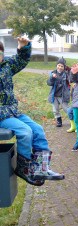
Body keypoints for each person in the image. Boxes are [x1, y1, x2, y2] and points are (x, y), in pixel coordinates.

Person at [0, 37, 64, 186]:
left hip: (12, 111)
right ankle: (24, 168)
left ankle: (42, 168)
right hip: (1, 114)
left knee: (37, 130)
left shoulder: (7, 65)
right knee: (25, 132)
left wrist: (23, 46)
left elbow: (21, 59)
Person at [47, 57, 70, 127]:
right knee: (55, 109)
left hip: (62, 95)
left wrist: (69, 71)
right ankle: (59, 121)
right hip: (54, 95)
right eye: (58, 65)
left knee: (66, 109)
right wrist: (52, 78)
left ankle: (74, 119)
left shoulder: (66, 74)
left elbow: (70, 79)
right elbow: (49, 83)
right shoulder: (52, 73)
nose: (60, 67)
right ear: (56, 65)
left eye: (62, 66)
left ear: (64, 67)